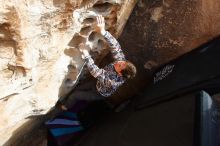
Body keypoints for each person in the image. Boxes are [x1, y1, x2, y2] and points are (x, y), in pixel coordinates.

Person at [59, 15, 136, 111]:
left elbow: (96, 72)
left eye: (119, 65)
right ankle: (67, 102)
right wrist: (103, 31)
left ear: (120, 73)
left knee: (75, 95)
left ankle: (64, 107)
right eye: (122, 62)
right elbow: (115, 46)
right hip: (96, 82)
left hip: (98, 93)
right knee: (79, 88)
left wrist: (86, 54)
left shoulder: (113, 82)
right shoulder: (121, 62)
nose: (119, 62)